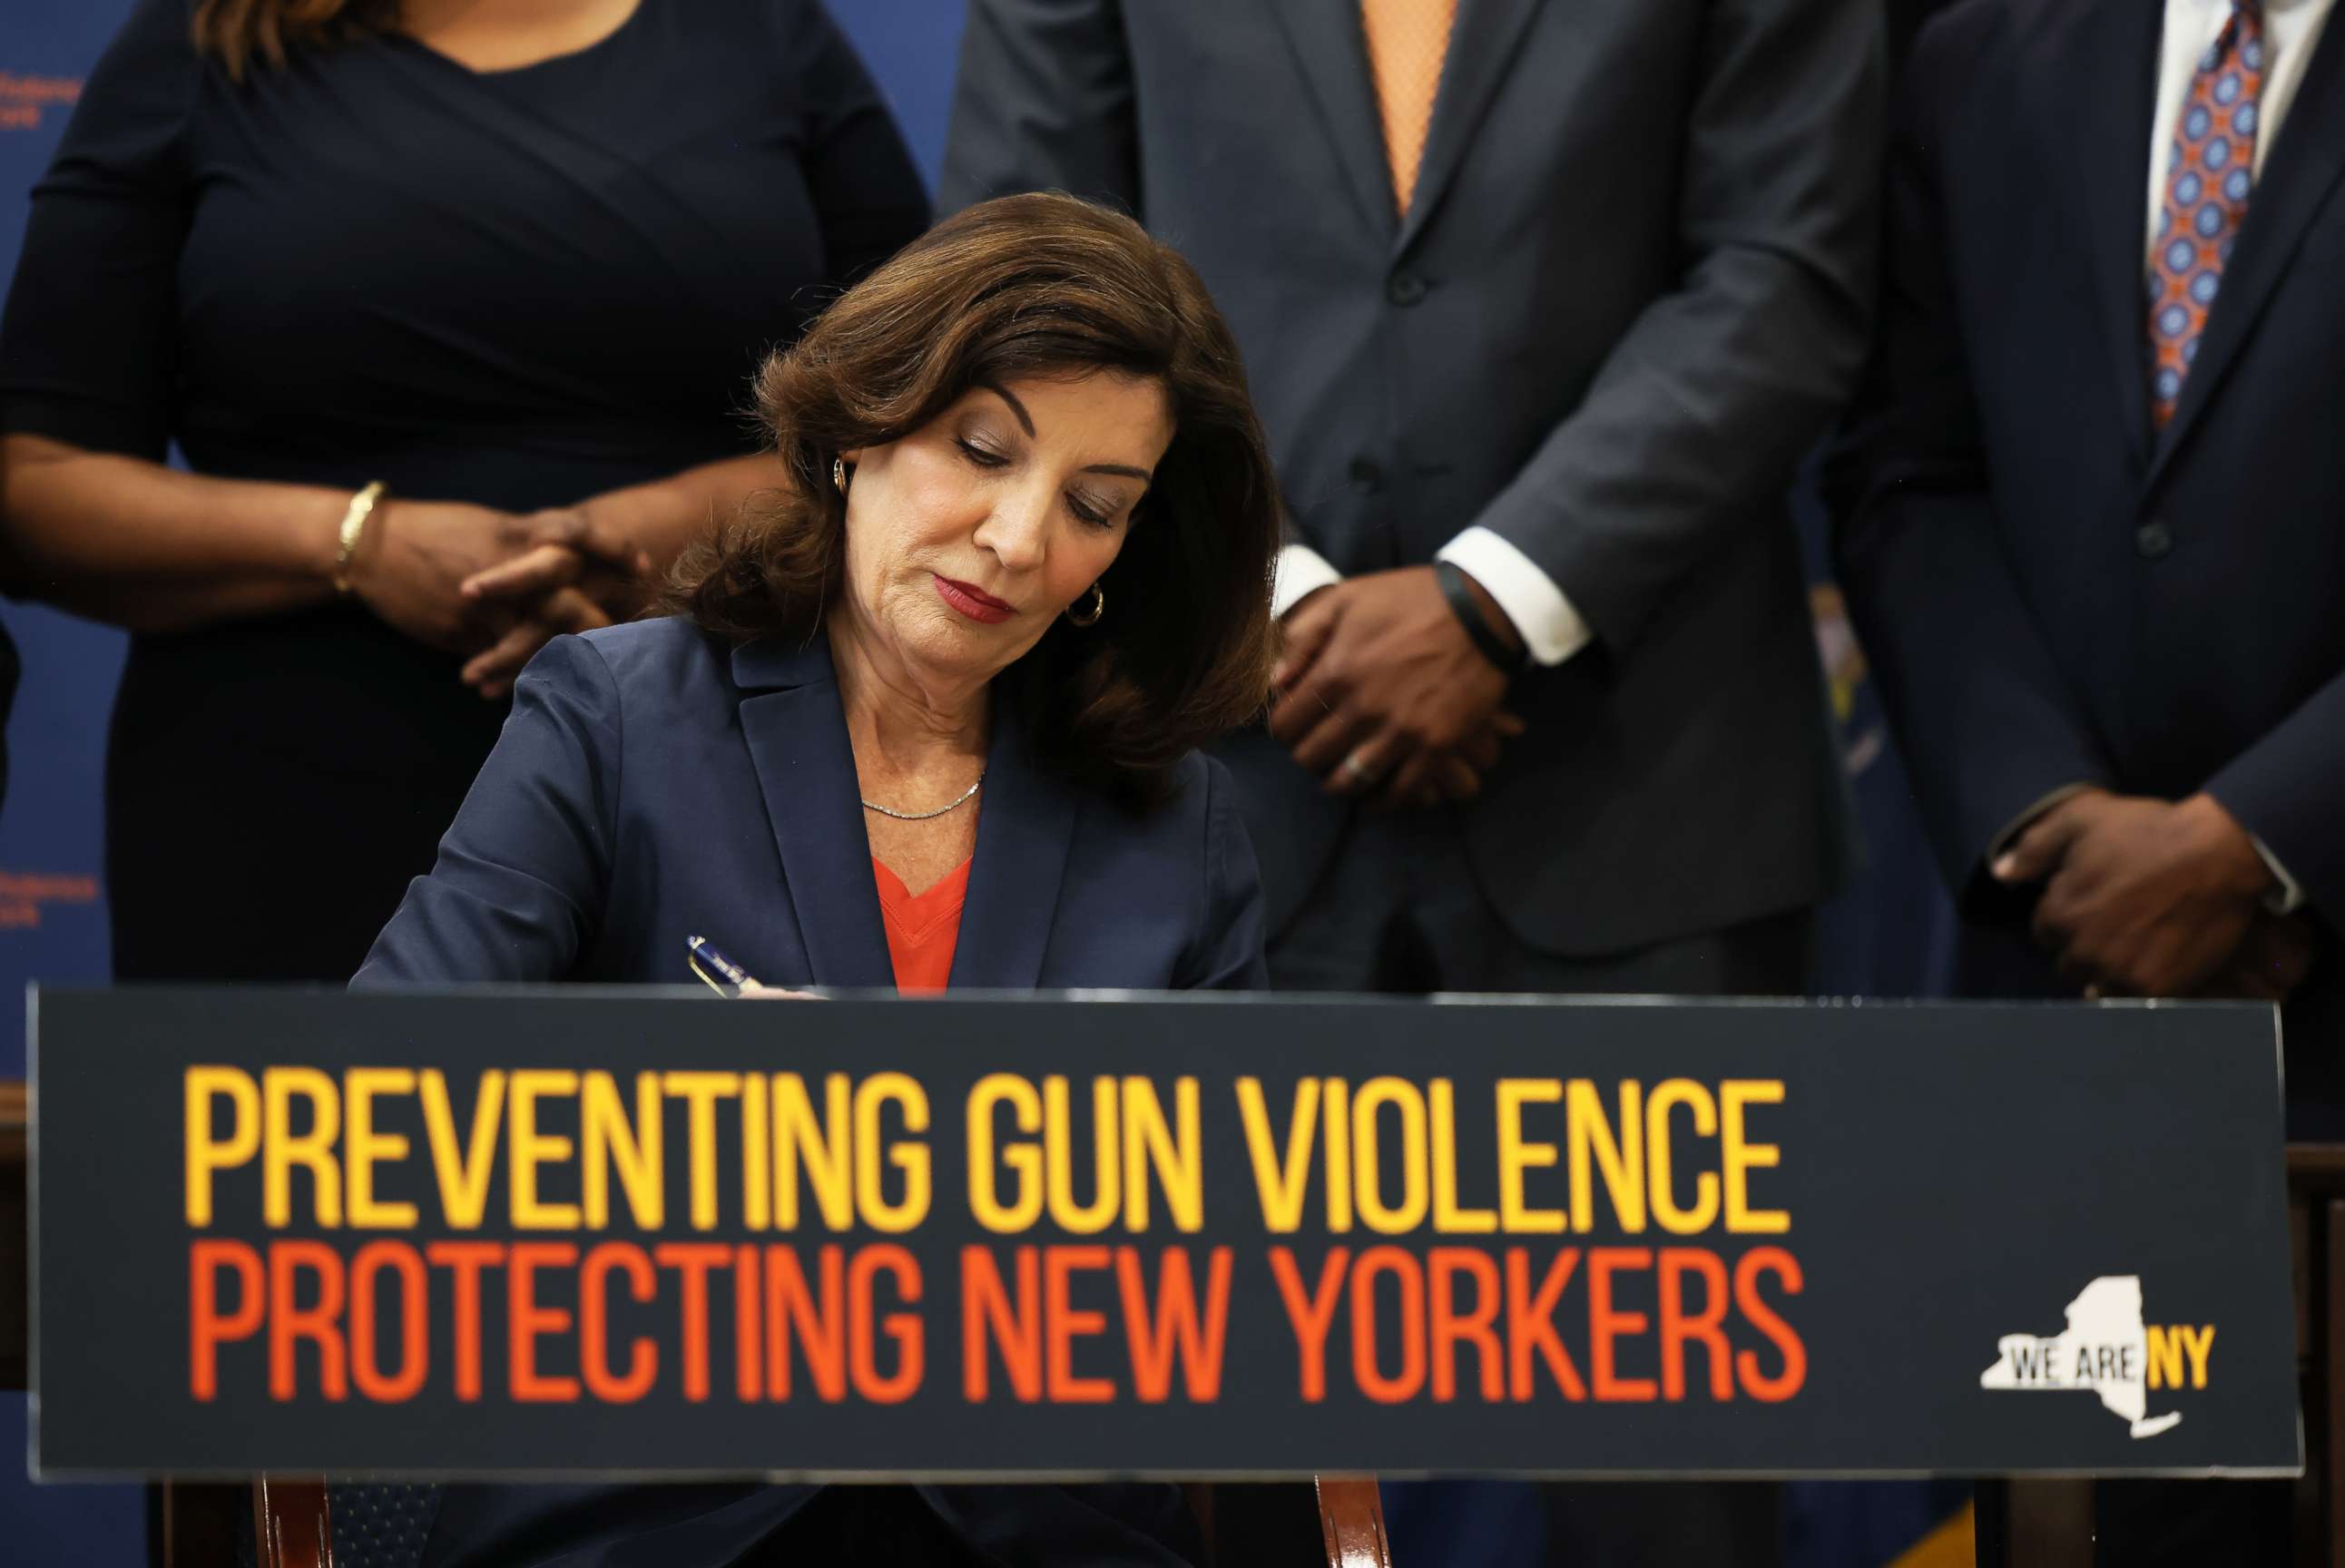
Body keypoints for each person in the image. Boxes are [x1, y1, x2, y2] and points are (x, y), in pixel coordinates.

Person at [942, 2, 1882, 1562]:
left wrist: (1499, 599)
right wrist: (1275, 593)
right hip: (1210, 771)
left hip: (1643, 783)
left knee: (1671, 1501)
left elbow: (1780, 273)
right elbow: (1026, 258)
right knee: (1204, 1465)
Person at [355, 191, 1281, 1565]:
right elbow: (370, 1099)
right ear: (860, 427)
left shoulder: (1175, 817)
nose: (1021, 542)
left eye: (1096, 506)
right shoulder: (618, 718)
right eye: (981, 449)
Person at [0, 0, 930, 985]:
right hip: (278, 805)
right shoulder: (207, 41)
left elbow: (915, 421)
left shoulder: (765, 35)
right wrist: (360, 543)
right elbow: (39, 488)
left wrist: (647, 547)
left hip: (702, 778)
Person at [1831, 0, 2345, 1557]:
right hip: (2068, 986)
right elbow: (1911, 473)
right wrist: (2050, 819)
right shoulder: (1979, 51)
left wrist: (2258, 839)